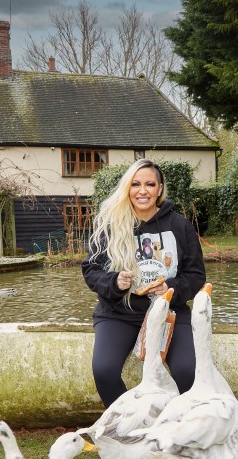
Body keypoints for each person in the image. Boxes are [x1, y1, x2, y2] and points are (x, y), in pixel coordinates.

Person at [81, 159, 206, 408]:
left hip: (169, 312)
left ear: (160, 189)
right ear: (128, 188)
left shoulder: (180, 226)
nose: (142, 190)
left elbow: (196, 275)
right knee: (104, 370)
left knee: (187, 371)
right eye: (136, 184)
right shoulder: (110, 225)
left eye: (150, 184)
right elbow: (91, 270)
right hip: (119, 313)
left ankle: (179, 429)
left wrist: (171, 288)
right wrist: (115, 282)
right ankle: (131, 426)